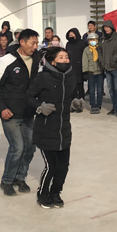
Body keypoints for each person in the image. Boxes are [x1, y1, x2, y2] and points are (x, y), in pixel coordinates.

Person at [25, 46, 82, 208]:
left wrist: (75, 102)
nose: (65, 60)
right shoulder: (43, 77)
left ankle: (56, 193)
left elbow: (72, 95)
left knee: (63, 167)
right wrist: (40, 107)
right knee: (52, 166)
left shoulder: (71, 76)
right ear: (52, 61)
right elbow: (28, 97)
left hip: (64, 129)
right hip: (46, 129)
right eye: (61, 57)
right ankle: (43, 194)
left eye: (66, 57)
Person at [0, 28, 42, 197]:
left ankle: (20, 177)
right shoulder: (7, 60)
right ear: (22, 42)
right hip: (10, 113)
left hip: (28, 112)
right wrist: (2, 108)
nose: (35, 46)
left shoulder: (37, 59)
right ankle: (7, 181)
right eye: (33, 43)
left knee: (30, 147)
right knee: (17, 147)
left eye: (37, 43)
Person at [101, 19, 117, 117]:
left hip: (116, 67)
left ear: (111, 28)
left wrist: (115, 57)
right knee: (111, 89)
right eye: (105, 27)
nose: (106, 29)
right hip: (107, 68)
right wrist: (101, 61)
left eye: (108, 27)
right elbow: (99, 51)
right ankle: (114, 107)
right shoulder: (102, 38)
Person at [83, 32, 105, 114]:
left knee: (99, 90)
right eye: (90, 40)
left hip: (99, 72)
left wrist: (104, 69)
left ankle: (98, 105)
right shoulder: (86, 50)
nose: (92, 41)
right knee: (91, 91)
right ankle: (93, 105)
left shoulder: (100, 48)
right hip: (91, 73)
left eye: (94, 40)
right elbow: (85, 61)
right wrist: (85, 71)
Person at [65, 28, 87, 101]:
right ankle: (73, 102)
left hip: (80, 67)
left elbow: (85, 55)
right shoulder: (68, 44)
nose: (71, 36)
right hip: (70, 67)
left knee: (79, 86)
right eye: (70, 35)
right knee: (71, 86)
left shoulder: (82, 43)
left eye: (72, 34)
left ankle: (81, 101)